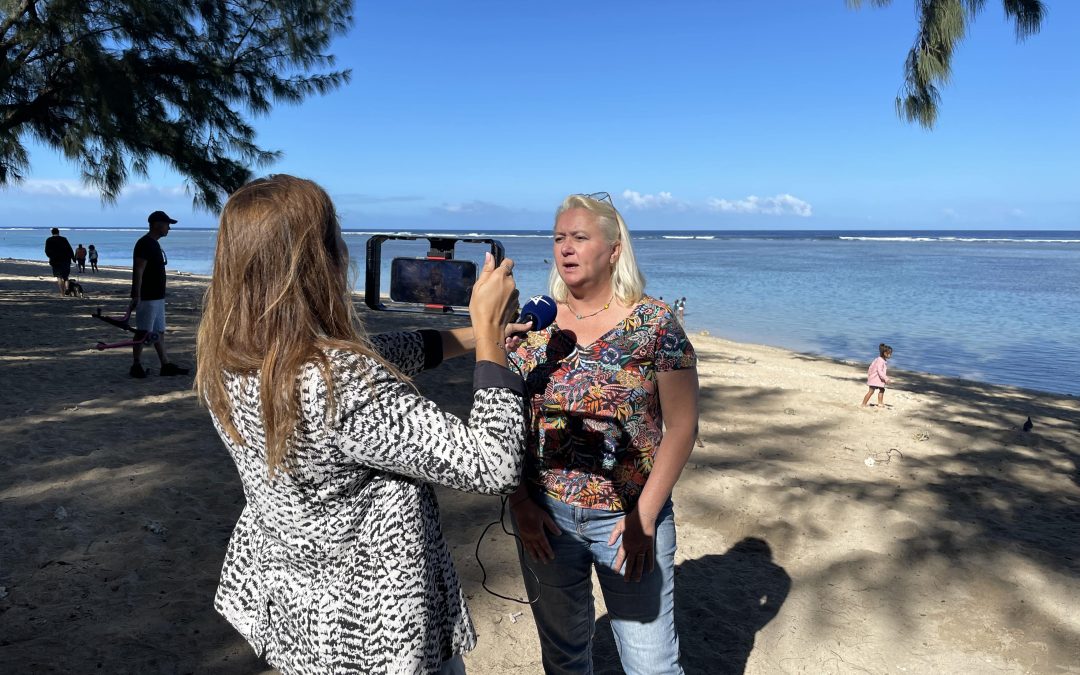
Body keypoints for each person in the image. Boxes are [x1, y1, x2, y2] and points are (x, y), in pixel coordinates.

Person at [195, 174, 528, 674]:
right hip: (375, 625)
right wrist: (492, 347)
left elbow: (382, 355)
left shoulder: (230, 356)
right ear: (317, 259)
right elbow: (494, 463)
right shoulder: (338, 383)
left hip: (298, 608)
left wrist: (479, 333)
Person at [507, 192, 700, 674]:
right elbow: (506, 426)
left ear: (614, 250)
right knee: (565, 658)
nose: (566, 248)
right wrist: (521, 505)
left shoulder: (654, 323)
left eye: (580, 237)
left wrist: (645, 516)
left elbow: (682, 426)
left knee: (651, 663)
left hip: (627, 520)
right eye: (558, 238)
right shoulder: (534, 326)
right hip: (546, 519)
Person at [129, 210, 189, 378]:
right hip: (147, 296)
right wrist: (136, 294)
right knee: (143, 331)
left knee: (158, 331)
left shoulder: (153, 243)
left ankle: (165, 364)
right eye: (167, 224)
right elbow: (138, 269)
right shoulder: (145, 243)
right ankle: (136, 364)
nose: (169, 228)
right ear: (157, 225)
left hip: (157, 296)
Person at [44, 227, 76, 296]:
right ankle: (67, 288)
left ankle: (62, 293)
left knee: (59, 277)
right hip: (66, 260)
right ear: (58, 232)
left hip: (55, 261)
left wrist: (51, 256)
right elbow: (69, 249)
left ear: (52, 233)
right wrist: (73, 258)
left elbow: (47, 251)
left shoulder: (49, 240)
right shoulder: (64, 239)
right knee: (66, 277)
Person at [861, 343, 893, 407]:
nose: (891, 355)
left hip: (877, 379)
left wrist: (870, 374)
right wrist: (886, 379)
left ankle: (880, 403)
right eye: (889, 353)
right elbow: (880, 371)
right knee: (871, 391)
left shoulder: (879, 359)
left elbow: (871, 367)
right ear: (884, 353)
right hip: (875, 379)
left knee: (882, 389)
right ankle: (863, 404)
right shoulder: (880, 361)